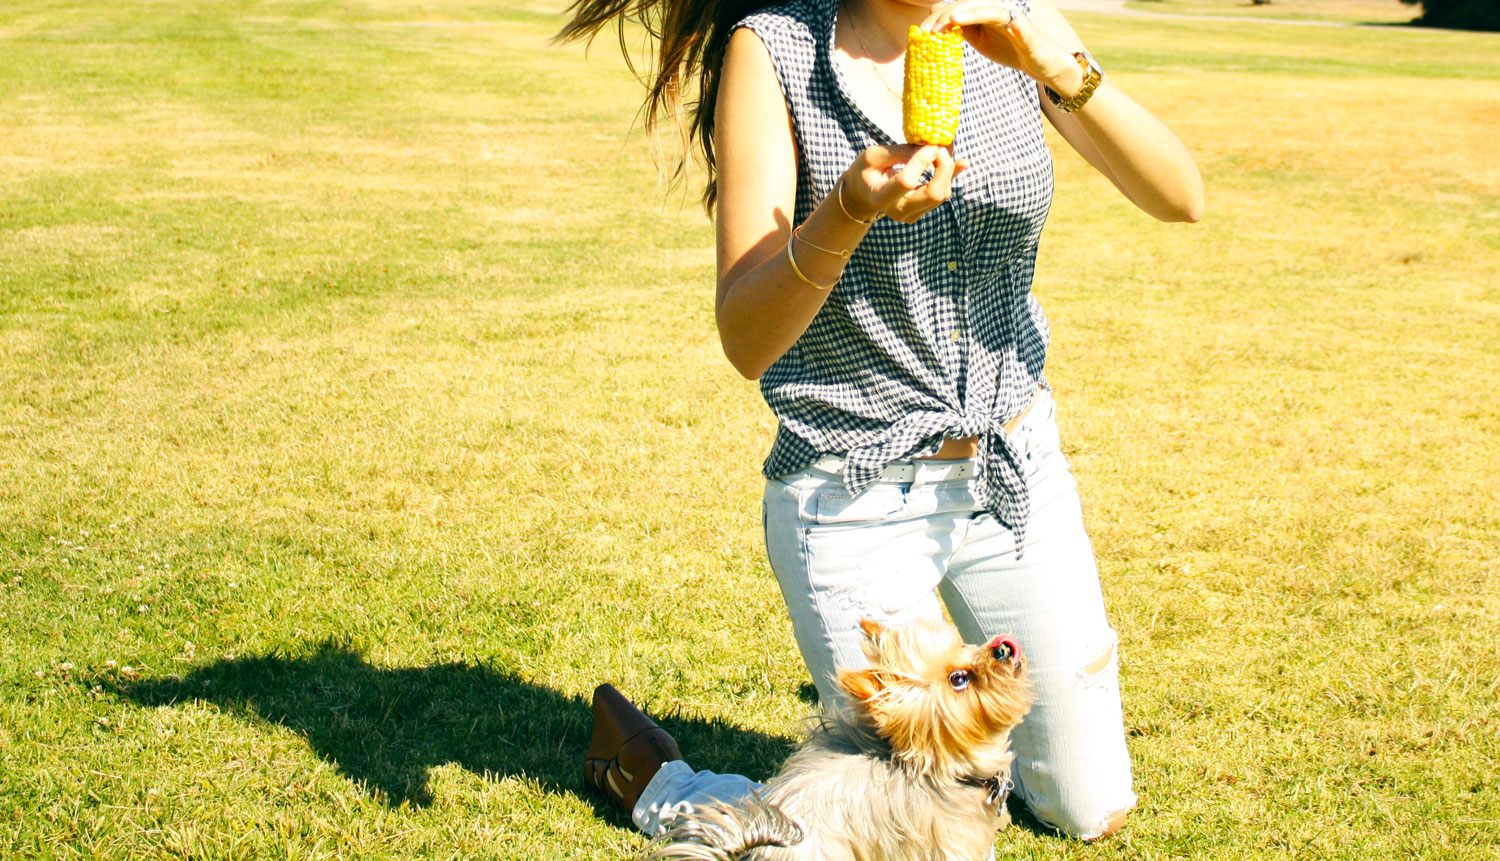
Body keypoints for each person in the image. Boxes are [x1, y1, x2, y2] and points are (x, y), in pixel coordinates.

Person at [558, 0, 1203, 844]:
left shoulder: (1015, 23)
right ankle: (654, 772)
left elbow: (1181, 196)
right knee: (875, 822)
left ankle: (918, 706)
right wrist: (849, 209)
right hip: (857, 495)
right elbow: (747, 339)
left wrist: (1061, 69)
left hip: (1013, 473)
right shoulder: (777, 51)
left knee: (1088, 809)